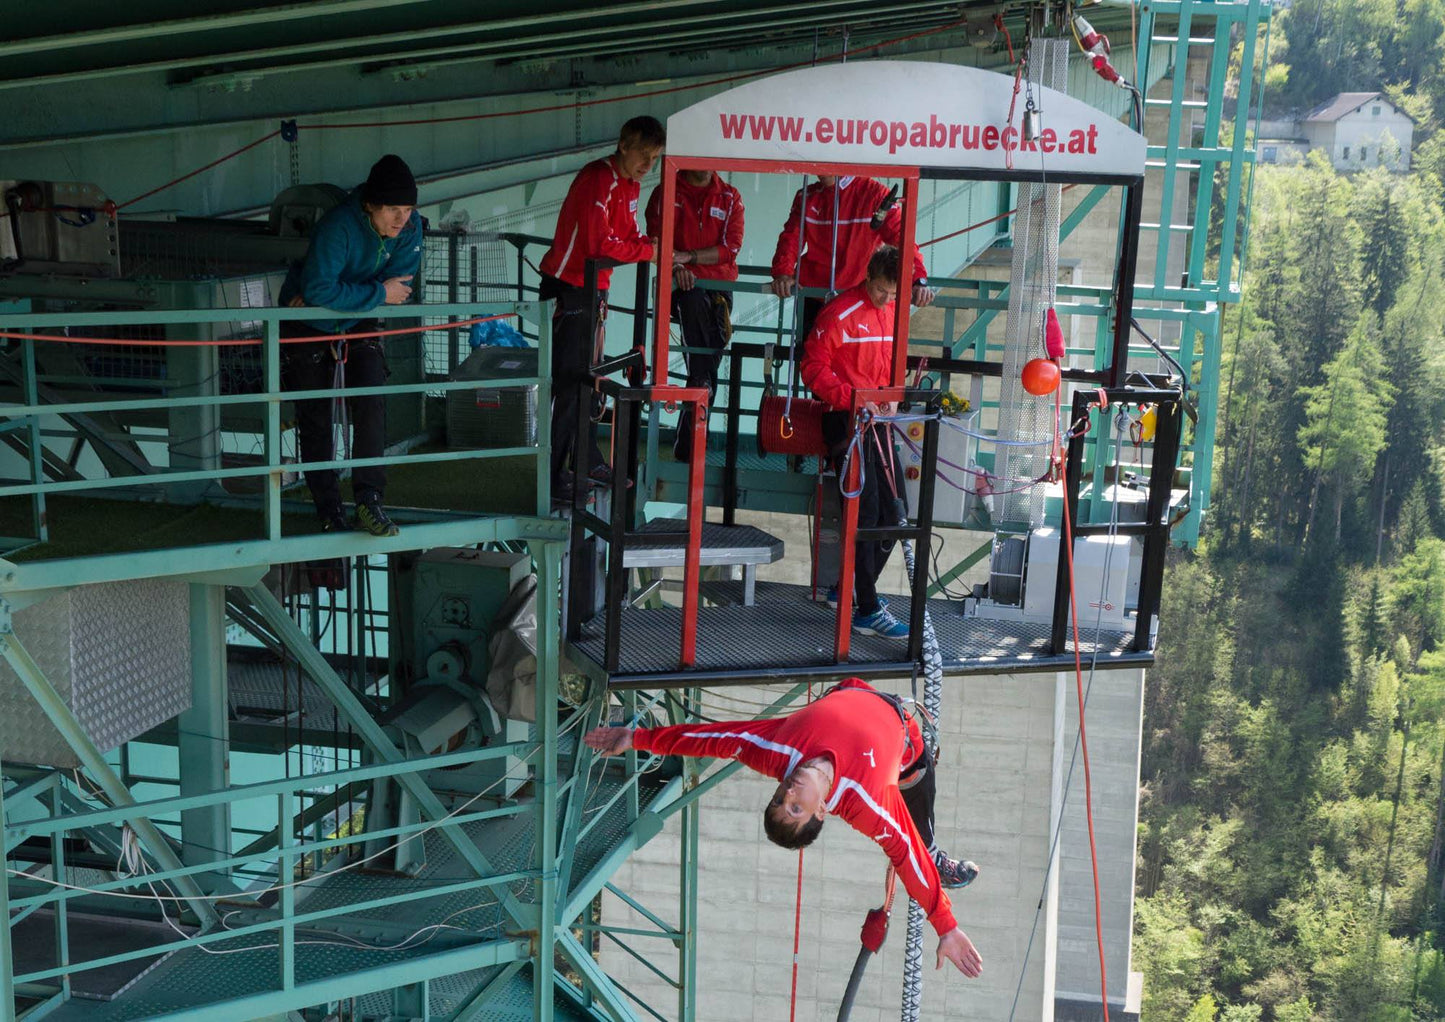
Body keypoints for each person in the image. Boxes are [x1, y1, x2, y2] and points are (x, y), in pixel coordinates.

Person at [583, 676, 983, 978]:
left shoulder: (777, 753)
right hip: (905, 737)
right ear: (821, 811)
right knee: (918, 796)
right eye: (794, 808)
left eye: (778, 799)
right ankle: (938, 857)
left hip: (852, 686)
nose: (788, 791)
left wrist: (637, 737)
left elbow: (715, 738)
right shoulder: (866, 801)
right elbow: (906, 854)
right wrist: (945, 927)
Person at [278, 152, 422, 537]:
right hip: (306, 323)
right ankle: (328, 508)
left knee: (372, 402)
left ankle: (369, 501)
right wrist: (374, 292)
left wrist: (336, 296)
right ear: (371, 204)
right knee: (316, 418)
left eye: (408, 209)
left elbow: (401, 286)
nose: (402, 219)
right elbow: (325, 289)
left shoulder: (411, 228)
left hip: (352, 319)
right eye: (393, 209)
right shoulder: (338, 226)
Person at [538, 115, 669, 502]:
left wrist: (651, 245)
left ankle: (584, 456)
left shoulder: (628, 184)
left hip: (593, 292)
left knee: (588, 381)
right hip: (569, 288)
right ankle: (555, 477)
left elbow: (625, 235)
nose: (649, 165)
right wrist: (648, 250)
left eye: (655, 158)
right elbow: (600, 245)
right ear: (623, 145)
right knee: (570, 385)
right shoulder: (600, 178)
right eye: (644, 155)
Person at [801, 245, 911, 638]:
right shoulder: (840, 312)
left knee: (896, 513)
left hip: (878, 421)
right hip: (845, 421)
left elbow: (892, 361)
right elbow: (811, 367)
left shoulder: (895, 310)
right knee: (865, 514)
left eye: (893, 294)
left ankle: (849, 588)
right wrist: (853, 401)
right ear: (868, 276)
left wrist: (893, 396)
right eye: (881, 290)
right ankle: (865, 606)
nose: (885, 299)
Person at [769, 175, 933, 354]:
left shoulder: (875, 195)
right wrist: (783, 273)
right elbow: (791, 239)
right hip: (815, 299)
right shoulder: (806, 196)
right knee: (815, 362)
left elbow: (903, 241)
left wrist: (918, 281)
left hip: (860, 300)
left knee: (856, 367)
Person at [645, 167, 745, 462]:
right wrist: (677, 269)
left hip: (717, 291)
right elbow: (655, 240)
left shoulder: (730, 197)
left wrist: (689, 258)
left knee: (703, 364)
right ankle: (695, 425)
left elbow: (730, 249)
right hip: (682, 288)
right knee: (692, 305)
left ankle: (689, 434)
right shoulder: (666, 193)